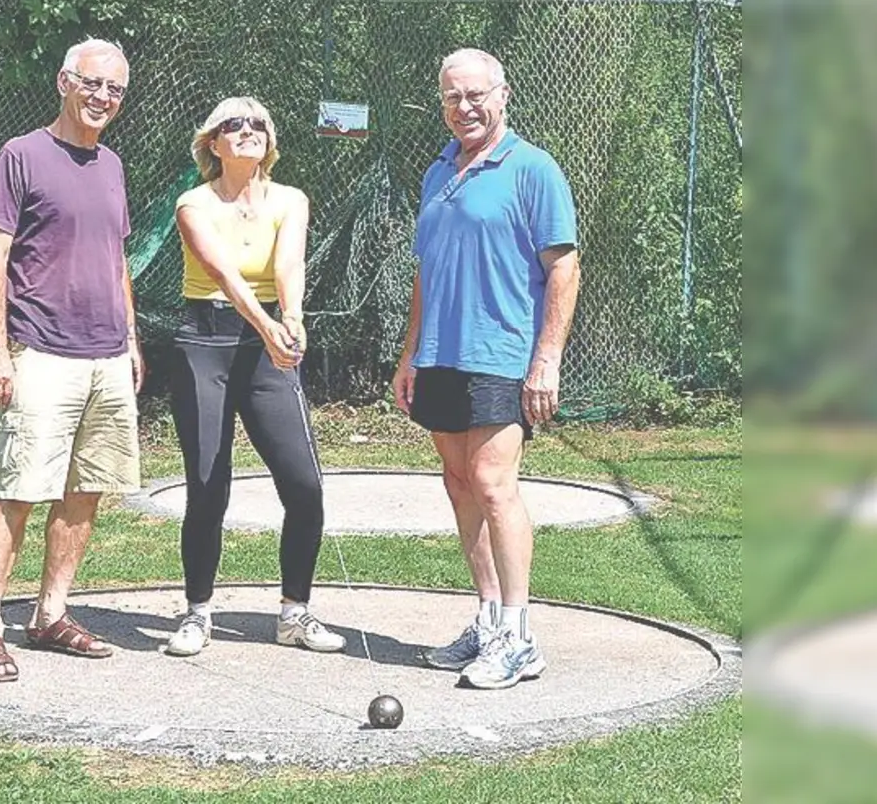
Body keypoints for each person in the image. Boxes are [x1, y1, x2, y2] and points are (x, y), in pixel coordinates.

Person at [392, 48, 581, 690]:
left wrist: (546, 358)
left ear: (502, 95)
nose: (465, 108)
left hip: (503, 353)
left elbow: (563, 267)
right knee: (458, 482)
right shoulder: (438, 172)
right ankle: (489, 619)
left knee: (493, 483)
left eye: (476, 95)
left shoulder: (532, 168)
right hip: (441, 353)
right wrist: (411, 351)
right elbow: (425, 270)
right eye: (452, 98)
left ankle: (521, 638)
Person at [0, 38, 144, 682]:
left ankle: (50, 615)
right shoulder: (22, 155)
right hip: (39, 351)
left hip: (106, 356)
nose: (103, 98)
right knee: (18, 490)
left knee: (85, 491)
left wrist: (130, 340)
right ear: (65, 82)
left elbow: (116, 259)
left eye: (116, 90)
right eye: (93, 85)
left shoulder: (113, 165)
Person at [162, 97, 345, 657]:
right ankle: (197, 613)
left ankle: (295, 613)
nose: (248, 131)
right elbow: (223, 274)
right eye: (233, 125)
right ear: (213, 144)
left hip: (267, 345)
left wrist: (291, 318)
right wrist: (269, 325)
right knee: (208, 487)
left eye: (259, 124)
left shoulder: (290, 199)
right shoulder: (192, 203)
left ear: (270, 141)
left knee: (305, 485)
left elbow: (289, 263)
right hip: (204, 343)